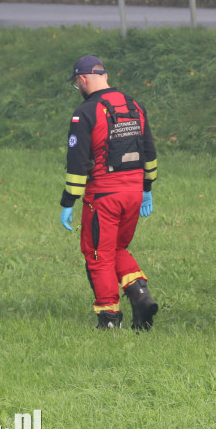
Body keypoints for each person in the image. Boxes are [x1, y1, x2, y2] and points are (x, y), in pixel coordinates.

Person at [59, 55, 159, 330]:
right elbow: (149, 151)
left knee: (97, 253)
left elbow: (78, 162)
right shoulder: (134, 105)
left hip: (104, 197)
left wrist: (68, 201)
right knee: (116, 248)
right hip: (134, 194)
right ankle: (140, 295)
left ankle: (109, 318)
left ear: (82, 79)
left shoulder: (86, 112)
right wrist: (147, 188)